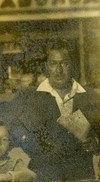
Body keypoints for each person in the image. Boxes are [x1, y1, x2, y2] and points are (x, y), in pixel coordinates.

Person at [5, 39, 100, 181]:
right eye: (53, 63)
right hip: (44, 176)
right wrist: (28, 141)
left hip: (81, 175)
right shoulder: (30, 96)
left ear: (72, 65)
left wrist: (96, 143)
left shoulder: (90, 96)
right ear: (46, 66)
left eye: (64, 63)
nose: (59, 70)